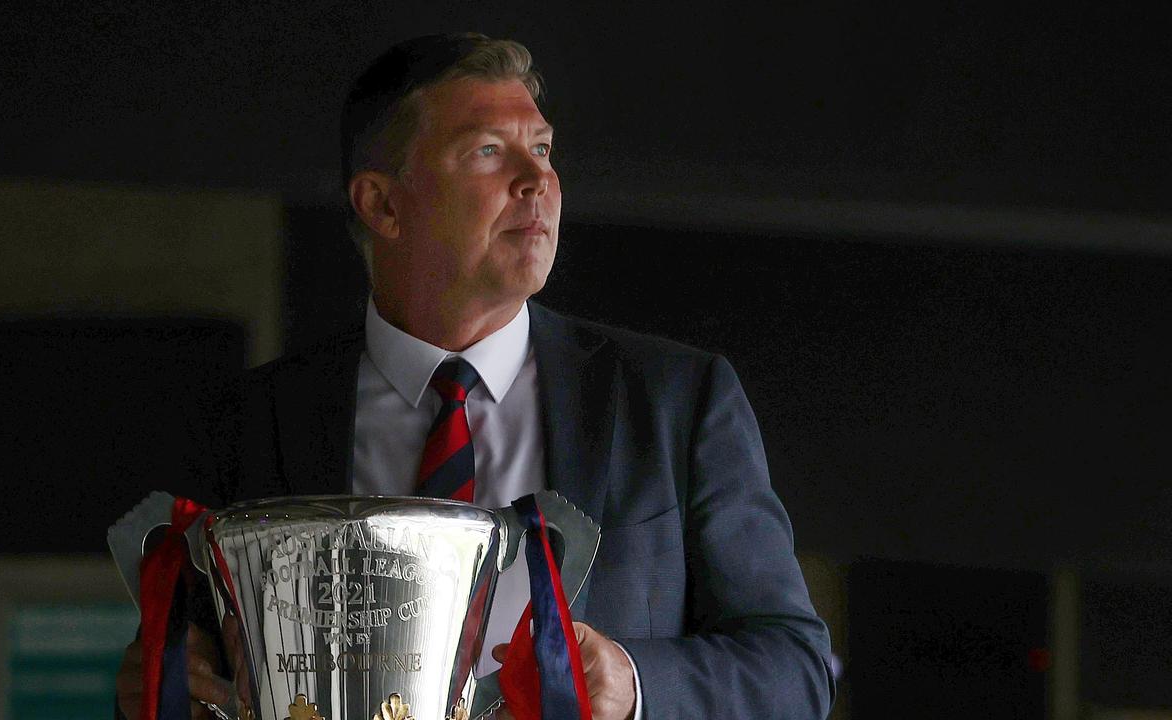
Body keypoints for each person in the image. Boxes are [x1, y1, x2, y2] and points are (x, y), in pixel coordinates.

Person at [117, 32, 835, 719]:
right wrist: (157, 687)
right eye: (489, 152)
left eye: (544, 149)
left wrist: (635, 685)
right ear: (383, 203)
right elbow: (179, 671)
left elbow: (796, 671)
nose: (540, 180)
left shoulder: (676, 399)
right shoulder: (249, 421)